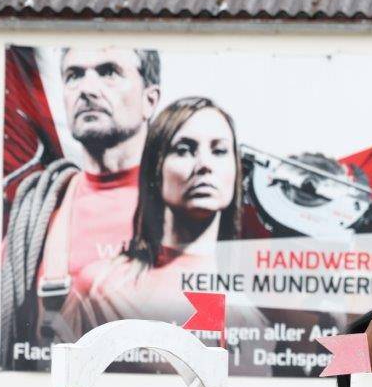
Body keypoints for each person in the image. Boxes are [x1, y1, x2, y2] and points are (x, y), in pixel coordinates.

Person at [0, 47, 161, 365]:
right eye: (74, 76)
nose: (87, 89)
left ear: (150, 99)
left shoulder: (193, 208)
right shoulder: (36, 215)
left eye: (109, 72)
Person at [77, 97, 262, 363]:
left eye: (219, 151)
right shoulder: (99, 286)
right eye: (184, 150)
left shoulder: (254, 308)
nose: (204, 165)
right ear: (156, 167)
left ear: (236, 170)